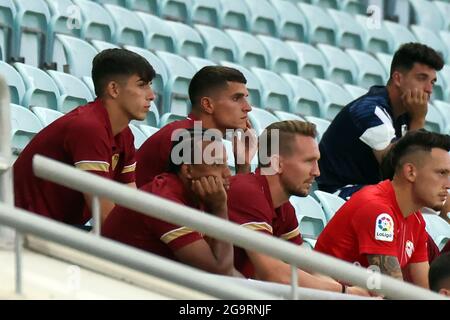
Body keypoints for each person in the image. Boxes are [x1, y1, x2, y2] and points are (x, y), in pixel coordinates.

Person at [13, 49, 156, 225]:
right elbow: (105, 218)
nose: (151, 95)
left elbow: (130, 203)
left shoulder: (124, 134)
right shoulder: (89, 127)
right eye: (142, 85)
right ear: (114, 89)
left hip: (55, 231)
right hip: (19, 227)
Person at [227, 120, 369, 296]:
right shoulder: (248, 192)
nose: (317, 172)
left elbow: (306, 265)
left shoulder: (283, 206)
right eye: (309, 161)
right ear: (277, 164)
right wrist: (345, 292)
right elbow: (273, 273)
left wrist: (348, 294)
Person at [315, 130, 450, 289]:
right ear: (410, 172)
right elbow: (391, 290)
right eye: (442, 173)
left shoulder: (415, 220)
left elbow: (426, 291)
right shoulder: (377, 208)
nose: (448, 184)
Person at [317, 42, 444, 199]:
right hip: (339, 193)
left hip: (372, 192)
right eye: (421, 78)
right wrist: (418, 120)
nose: (429, 89)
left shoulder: (405, 113)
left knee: (441, 198)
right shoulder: (368, 110)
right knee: (415, 193)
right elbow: (396, 168)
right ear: (398, 78)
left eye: (432, 82)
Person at [102, 129, 238, 276]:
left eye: (226, 164)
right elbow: (219, 271)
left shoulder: (197, 195)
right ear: (188, 170)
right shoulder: (164, 200)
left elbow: (228, 270)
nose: (227, 173)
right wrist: (219, 209)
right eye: (217, 164)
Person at [135, 66, 255, 187]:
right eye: (236, 98)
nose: (247, 107)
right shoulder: (182, 136)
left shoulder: (203, 138)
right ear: (207, 105)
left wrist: (243, 165)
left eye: (245, 98)